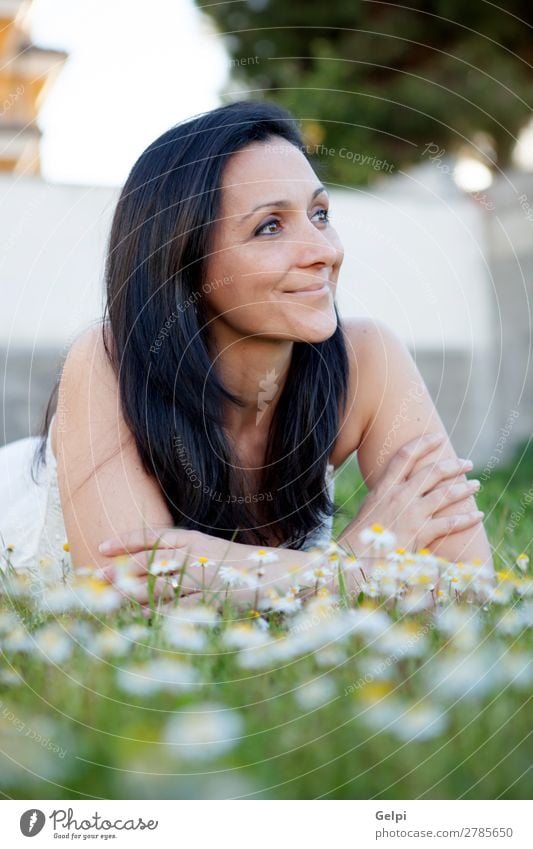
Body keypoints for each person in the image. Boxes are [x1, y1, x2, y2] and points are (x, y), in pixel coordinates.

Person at [0, 99, 492, 607]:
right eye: (270, 227)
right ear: (184, 260)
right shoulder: (110, 359)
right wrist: (356, 563)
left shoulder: (370, 359)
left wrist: (224, 573)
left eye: (319, 214)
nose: (324, 250)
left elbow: (470, 583)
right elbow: (129, 594)